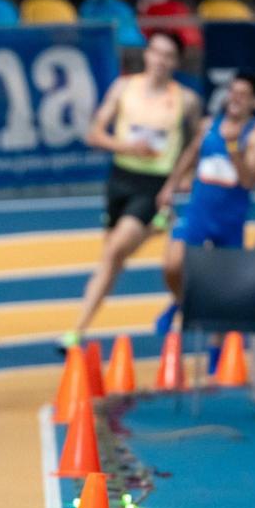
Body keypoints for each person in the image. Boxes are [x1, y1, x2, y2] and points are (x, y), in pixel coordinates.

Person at [59, 31, 201, 350]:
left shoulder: (186, 100)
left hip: (154, 186)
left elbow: (197, 142)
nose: (160, 61)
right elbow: (94, 134)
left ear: (176, 62)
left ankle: (76, 330)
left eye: (168, 56)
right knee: (112, 259)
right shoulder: (125, 88)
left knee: (114, 251)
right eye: (156, 52)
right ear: (147, 55)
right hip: (120, 179)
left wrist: (184, 175)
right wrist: (126, 146)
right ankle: (156, 229)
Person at [156, 71, 255, 326]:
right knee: (172, 265)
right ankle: (182, 302)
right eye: (233, 91)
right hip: (199, 214)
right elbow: (191, 154)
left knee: (225, 291)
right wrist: (171, 185)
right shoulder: (209, 125)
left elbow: (249, 181)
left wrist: (233, 148)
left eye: (244, 95)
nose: (236, 98)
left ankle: (217, 353)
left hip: (229, 221)